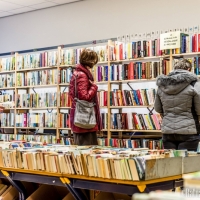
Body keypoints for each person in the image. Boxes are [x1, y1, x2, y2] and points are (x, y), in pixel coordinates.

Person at [154, 59, 200, 151]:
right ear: (189, 69)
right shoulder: (194, 84)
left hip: (168, 132)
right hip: (189, 131)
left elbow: (157, 108)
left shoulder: (162, 84)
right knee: (187, 164)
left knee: (171, 163)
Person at [69, 49, 102, 145]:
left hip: (80, 118)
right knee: (88, 151)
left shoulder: (77, 74)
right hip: (85, 119)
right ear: (89, 60)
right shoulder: (82, 75)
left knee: (82, 150)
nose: (94, 63)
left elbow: (73, 95)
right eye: (93, 60)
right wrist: (94, 87)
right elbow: (84, 97)